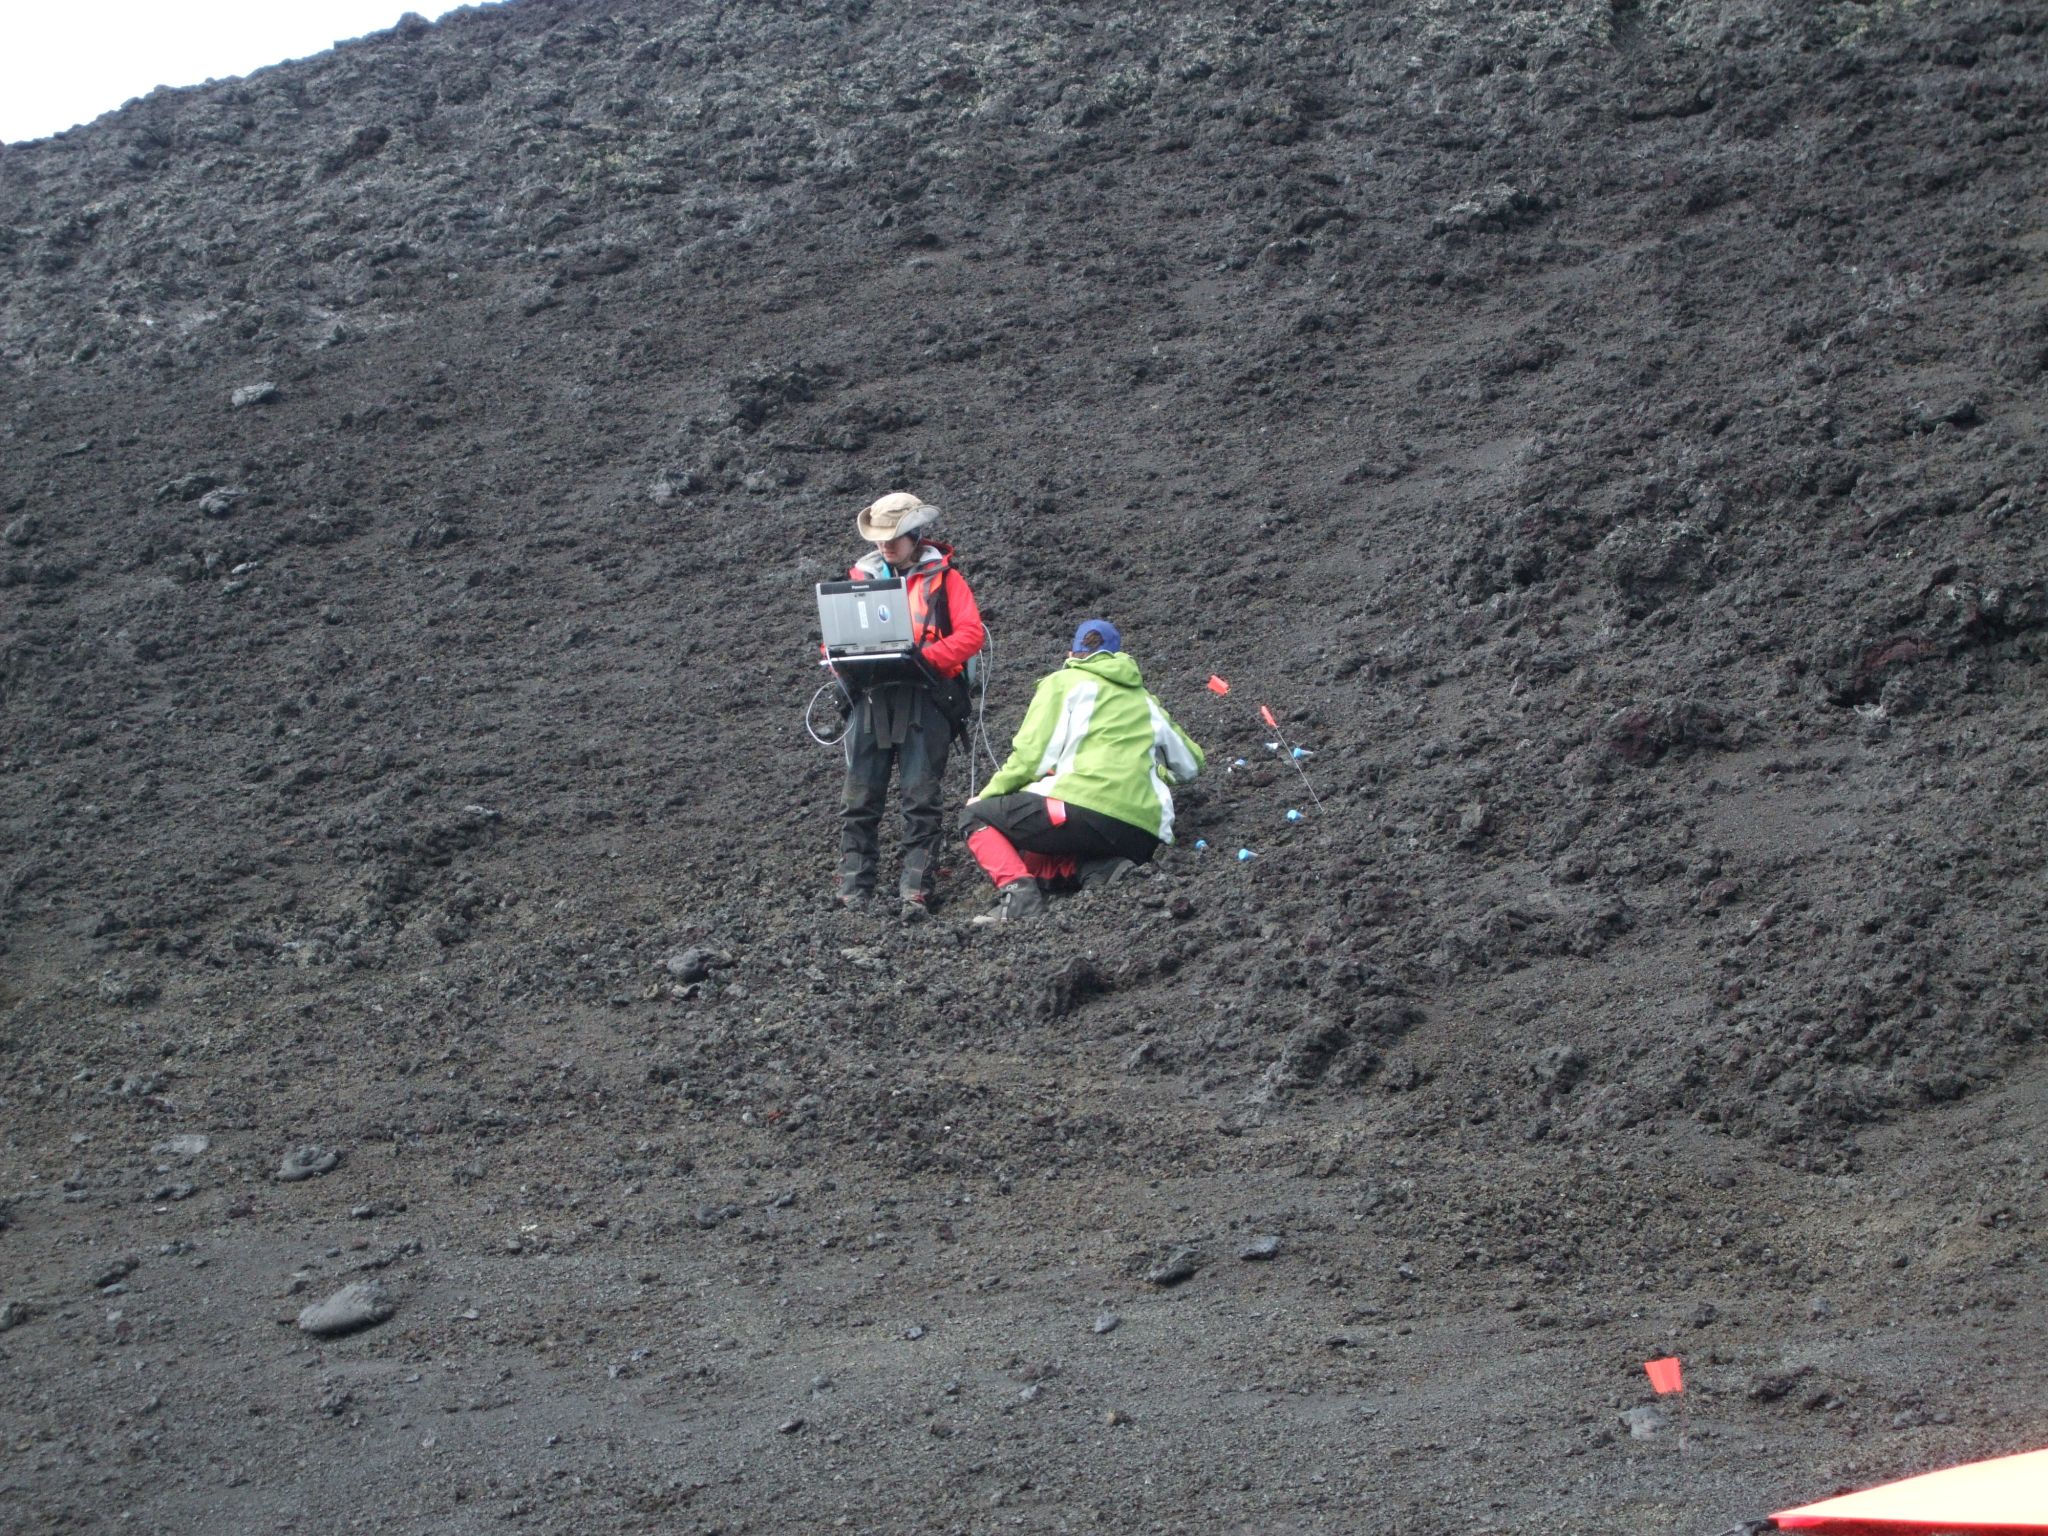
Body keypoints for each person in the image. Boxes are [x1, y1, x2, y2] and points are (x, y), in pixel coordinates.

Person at [959, 619, 1204, 925]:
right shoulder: (1145, 700)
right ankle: (1099, 868)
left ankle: (1021, 900)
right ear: (1116, 656)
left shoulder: (1063, 683)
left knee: (979, 819)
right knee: (1044, 846)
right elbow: (1192, 765)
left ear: (1071, 654)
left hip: (1084, 812)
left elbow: (1031, 759)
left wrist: (985, 796)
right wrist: (1157, 773)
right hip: (1144, 835)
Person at [829, 491, 985, 920]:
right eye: (881, 539)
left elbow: (971, 635)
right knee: (860, 796)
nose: (885, 546)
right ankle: (853, 888)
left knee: (920, 796)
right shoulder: (860, 578)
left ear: (916, 535)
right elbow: (834, 636)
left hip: (926, 696)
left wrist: (923, 658)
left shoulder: (947, 579)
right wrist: (838, 655)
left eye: (893, 537)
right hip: (873, 695)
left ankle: (915, 888)